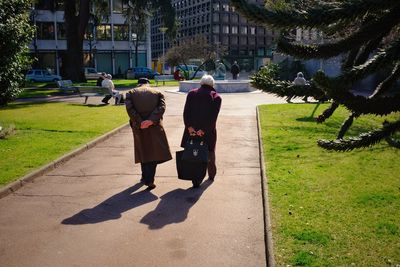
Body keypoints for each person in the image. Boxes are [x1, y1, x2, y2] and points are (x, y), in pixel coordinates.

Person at [125, 78, 172, 190]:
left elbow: (129, 109)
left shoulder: (130, 93)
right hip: (154, 126)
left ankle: (144, 176)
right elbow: (162, 107)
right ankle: (149, 179)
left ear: (138, 84)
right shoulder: (157, 92)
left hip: (139, 127)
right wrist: (151, 120)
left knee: (142, 150)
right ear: (148, 84)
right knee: (153, 152)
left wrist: (140, 121)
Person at [181, 74, 222, 188]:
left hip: (191, 131)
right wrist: (203, 130)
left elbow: (186, 112)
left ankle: (195, 179)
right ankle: (211, 175)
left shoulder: (191, 93)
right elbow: (213, 118)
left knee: (192, 152)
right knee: (209, 152)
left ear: (201, 83)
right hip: (208, 132)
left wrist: (189, 127)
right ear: (212, 84)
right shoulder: (216, 97)